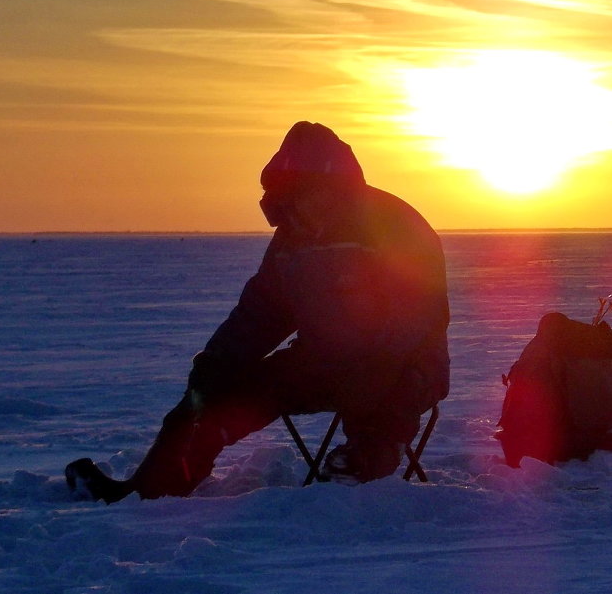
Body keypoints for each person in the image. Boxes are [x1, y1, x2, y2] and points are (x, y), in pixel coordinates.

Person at [66, 122, 450, 501]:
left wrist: (374, 361)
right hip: (321, 361)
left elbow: (417, 315)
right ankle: (150, 490)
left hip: (406, 365)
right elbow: (262, 311)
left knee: (380, 391)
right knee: (212, 396)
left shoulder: (395, 226)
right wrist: (218, 360)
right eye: (288, 197)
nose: (296, 207)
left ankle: (359, 471)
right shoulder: (294, 239)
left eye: (302, 193)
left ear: (330, 187)